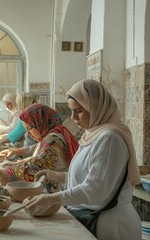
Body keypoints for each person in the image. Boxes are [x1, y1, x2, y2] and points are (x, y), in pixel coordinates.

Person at [23, 79, 141, 239]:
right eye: (72, 111)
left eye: (79, 111)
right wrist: (58, 176)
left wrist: (51, 199)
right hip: (93, 217)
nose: (73, 117)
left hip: (109, 224)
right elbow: (94, 177)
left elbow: (96, 189)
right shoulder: (93, 134)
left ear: (96, 108)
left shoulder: (110, 138)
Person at [0, 103, 79, 186]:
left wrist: (5, 172)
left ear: (40, 122)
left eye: (29, 128)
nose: (27, 133)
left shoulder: (54, 140)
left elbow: (35, 168)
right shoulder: (51, 134)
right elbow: (37, 150)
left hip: (60, 190)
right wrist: (16, 158)